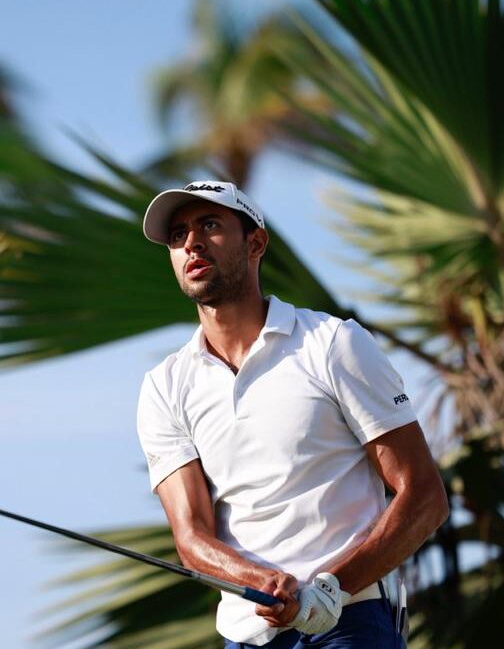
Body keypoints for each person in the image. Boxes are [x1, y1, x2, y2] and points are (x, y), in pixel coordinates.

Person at [136, 181, 449, 648]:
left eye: (210, 225)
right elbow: (191, 537)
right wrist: (257, 579)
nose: (192, 243)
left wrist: (331, 589)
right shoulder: (164, 385)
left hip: (350, 622)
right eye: (178, 235)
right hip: (246, 636)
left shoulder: (333, 344)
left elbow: (424, 496)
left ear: (256, 242)